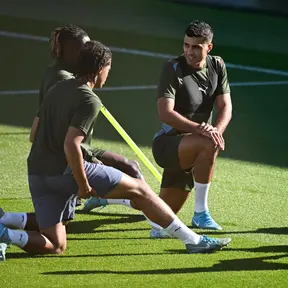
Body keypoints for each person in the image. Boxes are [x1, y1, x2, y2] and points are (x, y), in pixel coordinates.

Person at [0, 40, 231, 255]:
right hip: (66, 171)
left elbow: (34, 134)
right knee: (140, 190)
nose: (108, 74)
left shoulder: (57, 88)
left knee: (56, 245)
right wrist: (82, 184)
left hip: (38, 174)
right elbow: (71, 144)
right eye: (108, 68)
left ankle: (6, 234)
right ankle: (194, 241)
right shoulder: (90, 100)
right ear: (100, 68)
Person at [41, 24, 144, 212]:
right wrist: (92, 162)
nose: (90, 53)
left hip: (82, 147)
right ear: (73, 51)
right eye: (85, 49)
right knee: (134, 182)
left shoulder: (60, 73)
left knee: (131, 166)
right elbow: (64, 137)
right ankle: (156, 217)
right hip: (70, 154)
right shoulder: (64, 81)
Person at [151, 20, 232, 238]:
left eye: (196, 47)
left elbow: (226, 107)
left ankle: (107, 195)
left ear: (209, 47)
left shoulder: (217, 66)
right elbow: (165, 114)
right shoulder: (172, 68)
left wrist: (216, 131)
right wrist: (203, 130)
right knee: (208, 142)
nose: (189, 51)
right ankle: (201, 213)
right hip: (168, 145)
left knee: (159, 225)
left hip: (192, 149)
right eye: (186, 45)